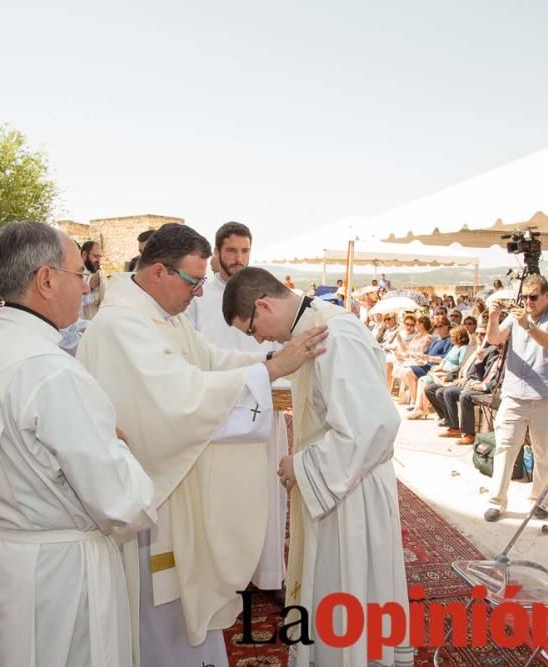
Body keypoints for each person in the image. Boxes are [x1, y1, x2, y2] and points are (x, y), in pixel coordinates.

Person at [76, 223, 326, 666]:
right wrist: (268, 372)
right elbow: (179, 394)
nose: (198, 294)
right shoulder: (121, 325)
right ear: (158, 272)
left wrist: (270, 360)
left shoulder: (161, 319)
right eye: (193, 281)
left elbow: (212, 361)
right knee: (160, 607)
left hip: (173, 491)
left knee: (182, 601)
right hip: (154, 496)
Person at [0, 220, 156, 666]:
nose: (84, 288)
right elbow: (120, 503)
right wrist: (117, 444)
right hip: (63, 571)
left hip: (4, 555)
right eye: (79, 275)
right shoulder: (52, 372)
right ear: (45, 279)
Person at [221, 266, 412, 667]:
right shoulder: (311, 328)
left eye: (252, 329)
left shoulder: (336, 334)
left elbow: (372, 426)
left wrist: (301, 466)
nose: (259, 339)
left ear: (263, 305)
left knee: (347, 594)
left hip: (351, 493)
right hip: (334, 485)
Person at [183, 221, 288, 598]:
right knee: (224, 494)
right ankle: (229, 577)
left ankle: (269, 575)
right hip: (221, 406)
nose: (238, 259)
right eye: (231, 251)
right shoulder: (196, 298)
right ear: (216, 253)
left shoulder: (266, 292)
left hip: (265, 400)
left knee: (269, 488)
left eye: (244, 251)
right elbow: (195, 355)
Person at [483, 274, 548, 522]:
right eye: (524, 297)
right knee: (505, 447)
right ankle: (496, 501)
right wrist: (493, 316)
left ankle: (539, 499)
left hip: (545, 396)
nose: (528, 302)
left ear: (546, 296)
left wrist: (528, 326)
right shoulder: (516, 316)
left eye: (533, 297)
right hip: (513, 393)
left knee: (543, 451)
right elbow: (494, 339)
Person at [80, 240, 106, 320]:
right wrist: (89, 286)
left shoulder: (100, 274)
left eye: (100, 257)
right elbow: (71, 303)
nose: (98, 260)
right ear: (84, 255)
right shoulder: (74, 274)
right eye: (95, 256)